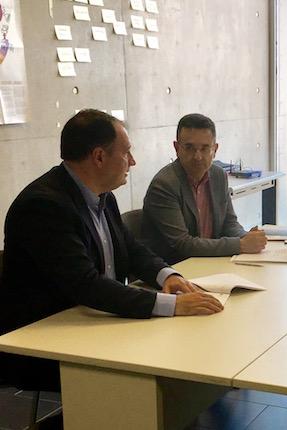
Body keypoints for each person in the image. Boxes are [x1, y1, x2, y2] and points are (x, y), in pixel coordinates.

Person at [0, 109, 223, 392]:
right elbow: (86, 285)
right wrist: (174, 305)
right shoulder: (44, 206)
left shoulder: (102, 194)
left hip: (97, 320)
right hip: (49, 340)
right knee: (172, 353)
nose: (133, 161)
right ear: (99, 157)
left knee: (188, 344)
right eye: (126, 153)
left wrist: (168, 275)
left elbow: (132, 249)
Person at [142, 113, 266, 264]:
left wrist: (246, 237)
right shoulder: (164, 185)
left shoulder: (218, 175)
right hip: (177, 268)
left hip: (210, 263)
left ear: (215, 149)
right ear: (177, 148)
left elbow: (229, 224)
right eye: (189, 148)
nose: (197, 156)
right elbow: (183, 244)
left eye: (205, 148)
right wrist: (240, 245)